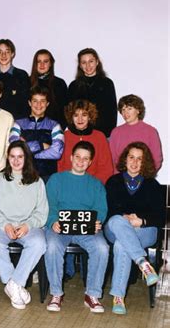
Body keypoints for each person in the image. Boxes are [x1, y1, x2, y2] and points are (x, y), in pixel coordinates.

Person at [45, 141, 109, 313]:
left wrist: (97, 221)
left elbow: (101, 209)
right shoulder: (56, 179)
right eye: (78, 157)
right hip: (60, 227)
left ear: (90, 162)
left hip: (86, 229)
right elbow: (49, 205)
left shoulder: (96, 184)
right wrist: (53, 221)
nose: (81, 161)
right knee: (51, 246)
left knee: (102, 248)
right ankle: (56, 293)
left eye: (85, 159)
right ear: (71, 157)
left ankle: (92, 294)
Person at [0, 141, 48, 310]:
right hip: (2, 225)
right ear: (8, 158)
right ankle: (15, 286)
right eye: (12, 156)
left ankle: (14, 283)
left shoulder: (37, 181)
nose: (16, 160)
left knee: (39, 243)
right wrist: (5, 225)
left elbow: (42, 212)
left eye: (20, 156)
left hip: (28, 226)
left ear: (26, 158)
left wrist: (28, 225)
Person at [104, 142, 165, 315]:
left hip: (144, 230)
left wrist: (142, 221)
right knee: (116, 220)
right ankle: (142, 263)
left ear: (144, 162)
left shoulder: (152, 185)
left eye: (140, 159)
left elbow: (160, 217)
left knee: (121, 245)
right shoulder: (113, 181)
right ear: (125, 159)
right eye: (131, 157)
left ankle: (118, 297)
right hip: (115, 227)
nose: (135, 162)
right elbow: (107, 210)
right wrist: (124, 218)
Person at [9, 85, 64, 182]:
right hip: (22, 174)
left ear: (47, 103)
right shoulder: (18, 124)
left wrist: (26, 152)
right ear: (29, 103)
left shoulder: (55, 125)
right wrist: (41, 145)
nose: (39, 105)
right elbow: (14, 147)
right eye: (35, 101)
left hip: (47, 176)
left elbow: (57, 153)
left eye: (42, 101)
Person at [58, 99, 113, 185]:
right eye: (76, 115)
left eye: (84, 115)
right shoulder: (64, 136)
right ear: (71, 117)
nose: (80, 119)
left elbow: (106, 168)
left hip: (92, 185)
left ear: (90, 117)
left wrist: (91, 184)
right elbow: (59, 166)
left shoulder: (99, 137)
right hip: (67, 183)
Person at [68, 48, 117, 137]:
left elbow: (112, 112)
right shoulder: (73, 86)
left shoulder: (107, 83)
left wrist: (107, 135)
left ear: (97, 62)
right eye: (84, 62)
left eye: (91, 61)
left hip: (102, 134)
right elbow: (70, 114)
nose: (88, 65)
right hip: (80, 135)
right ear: (80, 65)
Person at [109, 94, 162, 173]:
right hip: (121, 177)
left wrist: (144, 175)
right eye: (123, 110)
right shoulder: (116, 132)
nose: (125, 113)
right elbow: (112, 159)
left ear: (138, 110)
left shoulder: (151, 131)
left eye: (129, 109)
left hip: (143, 177)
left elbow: (156, 159)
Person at [0, 39, 30, 119]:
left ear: (12, 54)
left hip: (15, 122)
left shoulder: (22, 75)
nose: (3, 55)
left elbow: (25, 105)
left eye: (7, 52)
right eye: (0, 52)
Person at [29, 49, 68, 129]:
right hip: (30, 128)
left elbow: (64, 111)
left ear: (50, 64)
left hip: (54, 129)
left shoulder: (59, 84)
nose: (42, 64)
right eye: (39, 61)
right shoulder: (27, 82)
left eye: (45, 61)